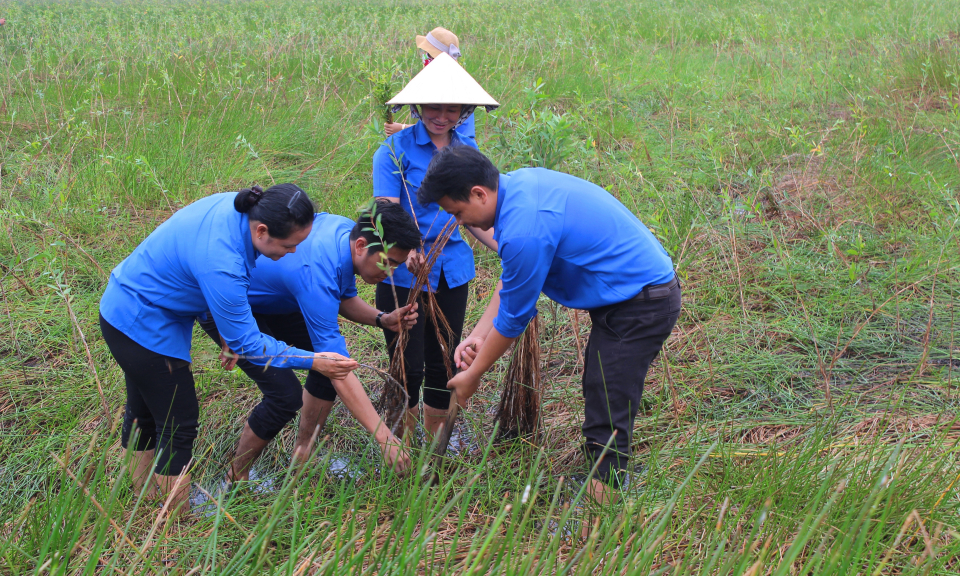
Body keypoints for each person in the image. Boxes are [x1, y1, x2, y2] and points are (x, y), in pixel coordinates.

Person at [417, 147, 682, 503]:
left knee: (607, 403)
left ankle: (599, 515)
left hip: (641, 304)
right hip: (629, 297)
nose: (461, 223)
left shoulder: (525, 227)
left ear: (479, 193)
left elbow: (514, 318)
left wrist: (473, 375)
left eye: (459, 213)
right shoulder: (519, 187)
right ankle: (600, 489)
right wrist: (478, 336)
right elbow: (513, 283)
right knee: (602, 388)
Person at [99, 184, 354, 516]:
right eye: (288, 245)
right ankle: (175, 520)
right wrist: (314, 360)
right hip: (139, 322)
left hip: (134, 305)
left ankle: (146, 501)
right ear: (262, 231)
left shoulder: (240, 210)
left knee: (147, 409)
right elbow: (248, 342)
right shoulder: (223, 263)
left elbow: (203, 281)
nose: (293, 252)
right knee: (178, 420)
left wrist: (225, 332)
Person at [198, 201, 421, 478]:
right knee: (284, 395)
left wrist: (382, 318)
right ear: (362, 246)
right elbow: (339, 368)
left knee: (325, 369)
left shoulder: (344, 233)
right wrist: (384, 437)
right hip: (228, 309)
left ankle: (302, 455)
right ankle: (236, 476)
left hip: (277, 301)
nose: (391, 273)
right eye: (388, 263)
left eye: (397, 265)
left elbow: (343, 296)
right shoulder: (316, 271)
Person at [373, 52, 499, 438]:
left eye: (451, 109)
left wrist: (505, 246)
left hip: (452, 268)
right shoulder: (392, 152)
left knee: (444, 361)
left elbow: (472, 216)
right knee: (408, 364)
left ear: (462, 112)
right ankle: (402, 444)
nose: (440, 116)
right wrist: (406, 250)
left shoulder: (467, 155)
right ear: (417, 106)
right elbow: (385, 215)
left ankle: (434, 446)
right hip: (402, 268)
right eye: (432, 107)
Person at [384, 27, 476, 143]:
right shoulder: (436, 82)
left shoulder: (452, 86)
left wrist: (402, 128)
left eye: (426, 53)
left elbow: (446, 132)